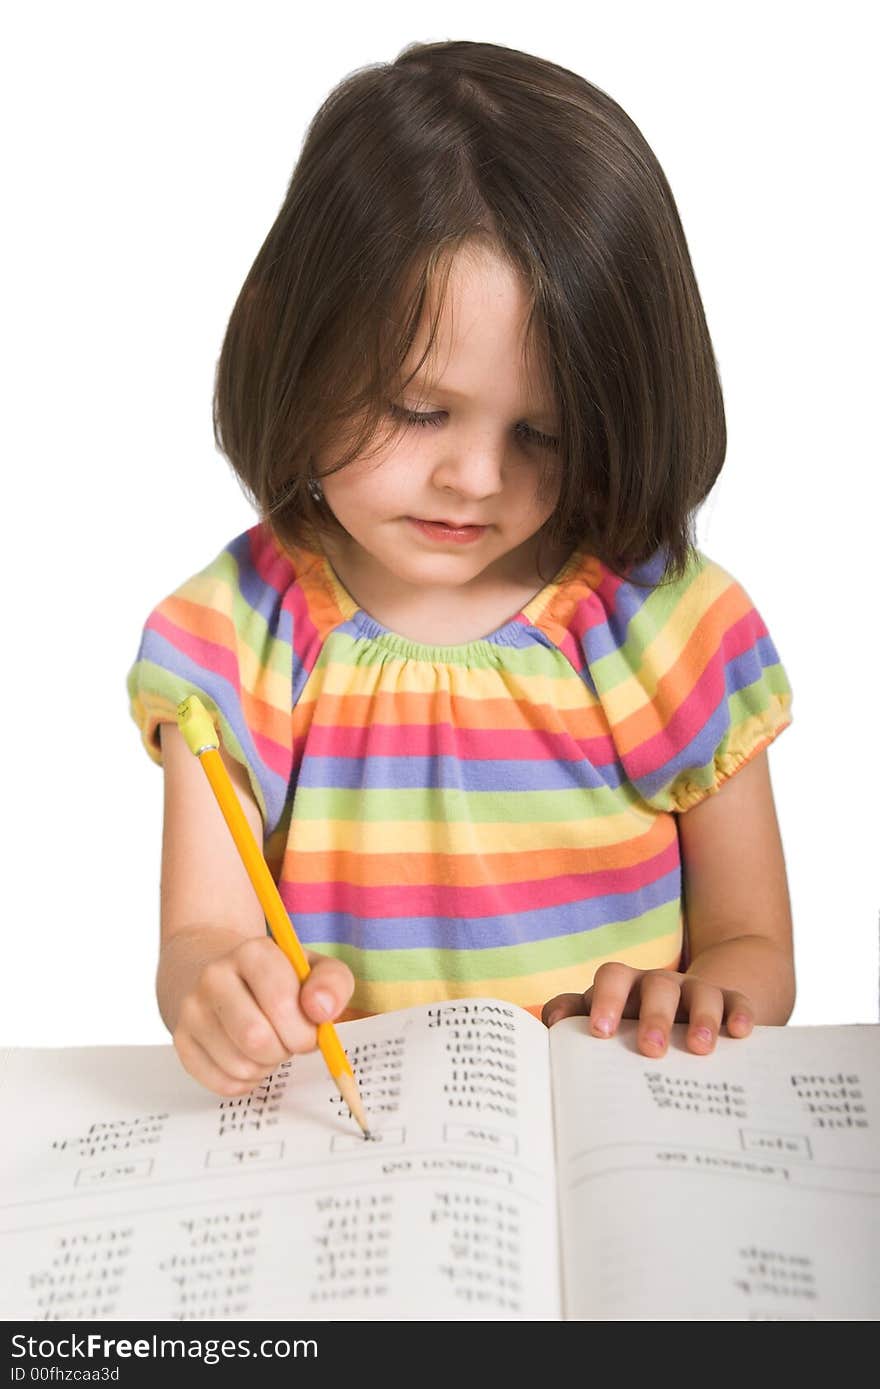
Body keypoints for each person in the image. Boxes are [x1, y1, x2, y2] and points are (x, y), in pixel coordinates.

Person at [127, 39, 795, 1099]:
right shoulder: (239, 633)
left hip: (613, 1136)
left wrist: (710, 993)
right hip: (362, 1161)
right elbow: (200, 936)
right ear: (294, 347)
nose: (475, 478)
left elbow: (753, 942)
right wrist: (217, 986)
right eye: (419, 410)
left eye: (543, 432)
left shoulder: (659, 619)